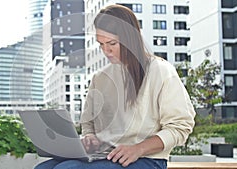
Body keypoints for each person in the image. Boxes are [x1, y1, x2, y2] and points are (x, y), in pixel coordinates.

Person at [35, 4, 195, 169]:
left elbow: (181, 126)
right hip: (105, 156)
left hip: (146, 159)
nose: (106, 51)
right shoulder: (100, 78)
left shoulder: (160, 71)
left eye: (112, 43)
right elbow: (88, 122)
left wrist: (138, 149)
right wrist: (90, 138)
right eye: (101, 44)